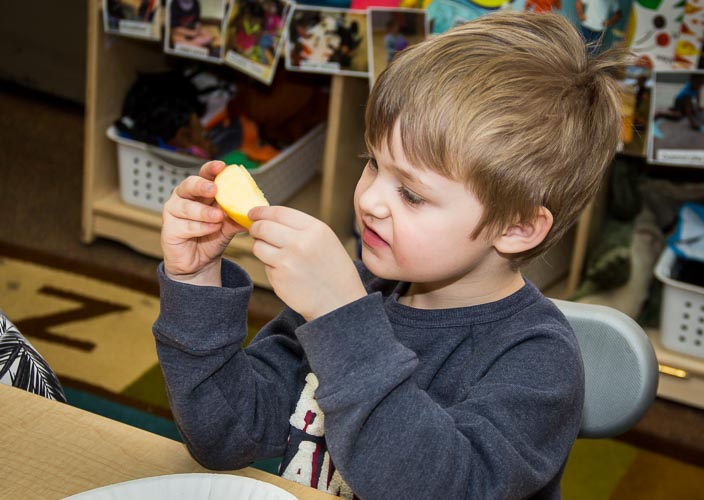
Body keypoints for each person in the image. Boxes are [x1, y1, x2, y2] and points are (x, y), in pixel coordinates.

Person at [153, 10, 624, 499]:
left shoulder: (537, 361)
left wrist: (341, 319)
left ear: (517, 227)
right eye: (374, 163)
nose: (370, 200)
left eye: (412, 194)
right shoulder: (355, 294)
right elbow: (228, 435)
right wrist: (198, 281)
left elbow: (440, 487)